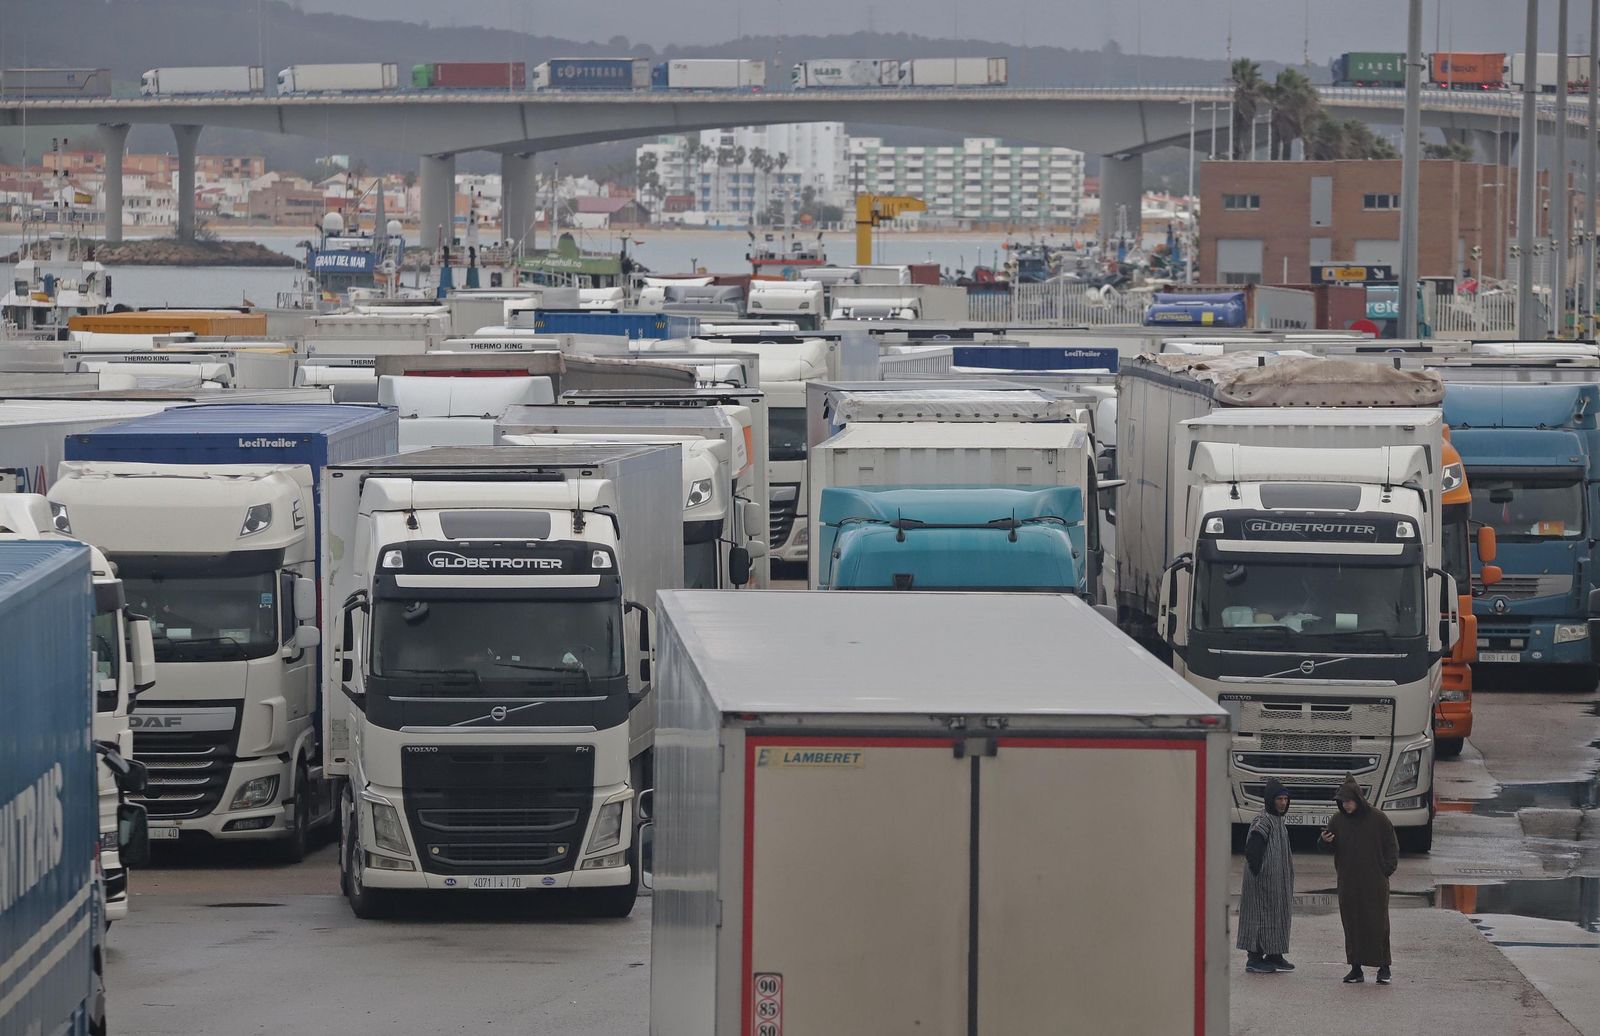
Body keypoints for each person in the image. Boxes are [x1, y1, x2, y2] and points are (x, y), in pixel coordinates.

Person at [1319, 774, 1399, 985]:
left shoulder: (1378, 818)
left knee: (1378, 924)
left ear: (1358, 799)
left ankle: (1384, 967)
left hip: (1374, 883)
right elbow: (1328, 846)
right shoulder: (1337, 820)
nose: (1345, 806)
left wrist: (1386, 869)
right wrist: (1324, 841)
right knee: (1352, 923)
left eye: (1348, 801)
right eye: (1342, 802)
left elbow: (1391, 846)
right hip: (1349, 882)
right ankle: (1356, 968)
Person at [1237, 777, 1295, 974]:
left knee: (1278, 915)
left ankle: (1274, 955)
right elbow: (1253, 850)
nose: (1283, 802)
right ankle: (1254, 958)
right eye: (1279, 799)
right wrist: (1260, 874)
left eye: (1285, 799)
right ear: (1271, 800)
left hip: (1278, 883)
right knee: (1259, 918)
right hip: (1262, 881)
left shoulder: (1279, 821)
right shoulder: (1263, 820)